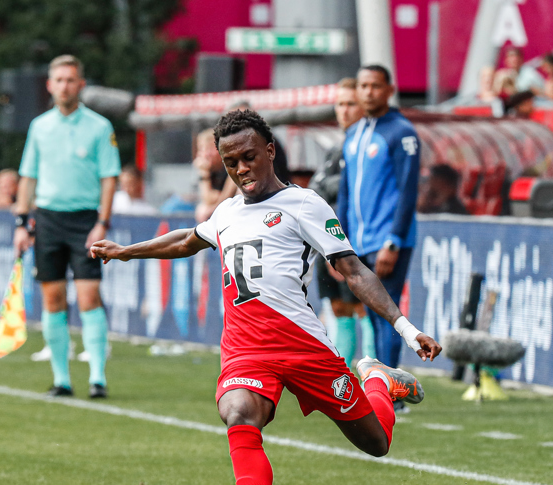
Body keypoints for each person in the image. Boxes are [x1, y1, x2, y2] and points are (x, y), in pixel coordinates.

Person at [90, 109, 441, 485]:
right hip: (248, 351)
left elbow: (354, 271)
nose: (241, 169)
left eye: (249, 157)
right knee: (238, 411)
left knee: (377, 444)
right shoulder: (226, 212)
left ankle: (377, 380)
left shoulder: (305, 204)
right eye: (230, 162)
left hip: (303, 346)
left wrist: (406, 329)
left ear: (270, 151)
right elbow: (186, 240)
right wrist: (128, 250)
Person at [13, 54, 120, 398]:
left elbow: (109, 178)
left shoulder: (100, 127)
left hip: (85, 220)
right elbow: (28, 177)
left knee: (89, 296)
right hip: (47, 219)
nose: (64, 85)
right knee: (53, 298)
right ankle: (62, 379)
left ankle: (98, 378)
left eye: (70, 80)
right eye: (58, 80)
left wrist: (102, 221)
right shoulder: (39, 126)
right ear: (49, 85)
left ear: (81, 85)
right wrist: (21, 221)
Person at [337, 65, 420, 414]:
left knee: (389, 313)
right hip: (357, 242)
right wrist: (339, 242)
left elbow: (408, 191)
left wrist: (394, 240)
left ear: (390, 90)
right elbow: (343, 195)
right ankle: (384, 385)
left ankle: (392, 393)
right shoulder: (354, 135)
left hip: (387, 242)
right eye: (363, 86)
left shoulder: (401, 133)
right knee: (372, 314)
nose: (368, 92)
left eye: (375, 86)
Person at [309, 77, 376, 369]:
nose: (344, 111)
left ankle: (377, 378)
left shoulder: (371, 148)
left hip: (357, 244)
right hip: (328, 244)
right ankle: (344, 378)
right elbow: (315, 190)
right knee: (340, 310)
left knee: (366, 310)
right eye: (340, 104)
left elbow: (362, 191)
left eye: (351, 104)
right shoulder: (337, 150)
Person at [193, 128, 228, 222]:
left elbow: (224, 199)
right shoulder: (210, 169)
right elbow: (208, 198)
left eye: (207, 149)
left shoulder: (229, 167)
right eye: (201, 150)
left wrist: (204, 174)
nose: (203, 155)